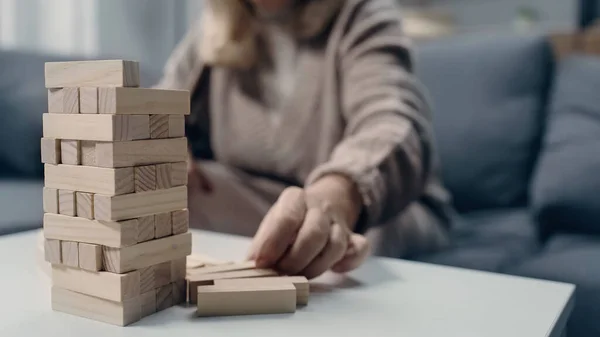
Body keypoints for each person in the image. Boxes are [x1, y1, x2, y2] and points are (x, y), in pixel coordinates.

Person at [155, 0, 455, 279]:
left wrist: (339, 194)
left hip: (372, 205)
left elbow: (392, 124)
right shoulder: (215, 32)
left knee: (352, 242)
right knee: (171, 192)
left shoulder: (360, 14)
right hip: (268, 199)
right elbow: (155, 113)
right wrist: (169, 147)